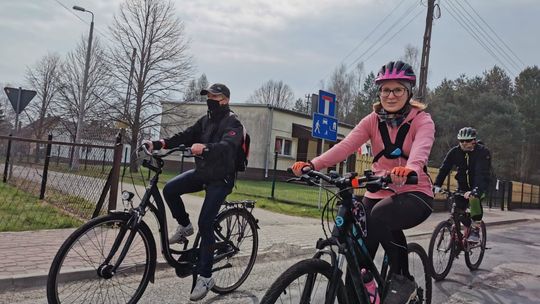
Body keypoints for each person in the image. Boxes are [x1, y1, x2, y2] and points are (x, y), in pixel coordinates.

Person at [292, 60, 435, 304]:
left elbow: (420, 151)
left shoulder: (422, 120)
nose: (390, 95)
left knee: (380, 215)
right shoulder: (372, 120)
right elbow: (346, 145)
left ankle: (403, 279)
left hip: (414, 192)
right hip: (378, 191)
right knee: (357, 260)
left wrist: (408, 169)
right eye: (385, 90)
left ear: (408, 92)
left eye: (397, 89)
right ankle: (360, 289)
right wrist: (313, 164)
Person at [142, 83, 243, 301]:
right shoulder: (206, 121)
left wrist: (205, 148)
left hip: (221, 179)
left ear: (224, 99)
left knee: (206, 223)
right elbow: (186, 135)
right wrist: (159, 143)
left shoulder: (233, 122)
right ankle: (185, 225)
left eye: (214, 96)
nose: (210, 99)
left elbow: (228, 146)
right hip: (204, 173)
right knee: (170, 189)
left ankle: (206, 277)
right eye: (208, 95)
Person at [433, 127, 492, 242]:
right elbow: (444, 168)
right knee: (458, 210)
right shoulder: (454, 152)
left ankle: (475, 229)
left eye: (468, 141)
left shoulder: (482, 152)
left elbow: (481, 174)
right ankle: (463, 229)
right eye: (461, 141)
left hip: (480, 186)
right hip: (462, 187)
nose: (464, 143)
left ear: (474, 140)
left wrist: (476, 190)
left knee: (474, 199)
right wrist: (437, 185)